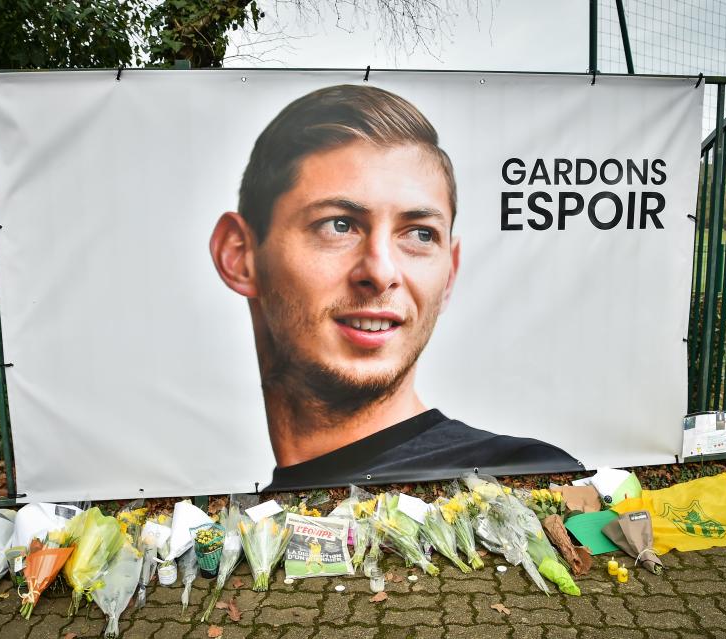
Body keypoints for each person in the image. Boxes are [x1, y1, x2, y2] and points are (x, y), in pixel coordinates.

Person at [209, 84, 582, 490]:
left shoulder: (524, 479)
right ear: (239, 254)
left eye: (420, 234)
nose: (381, 272)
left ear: (449, 275)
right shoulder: (243, 521)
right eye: (338, 225)